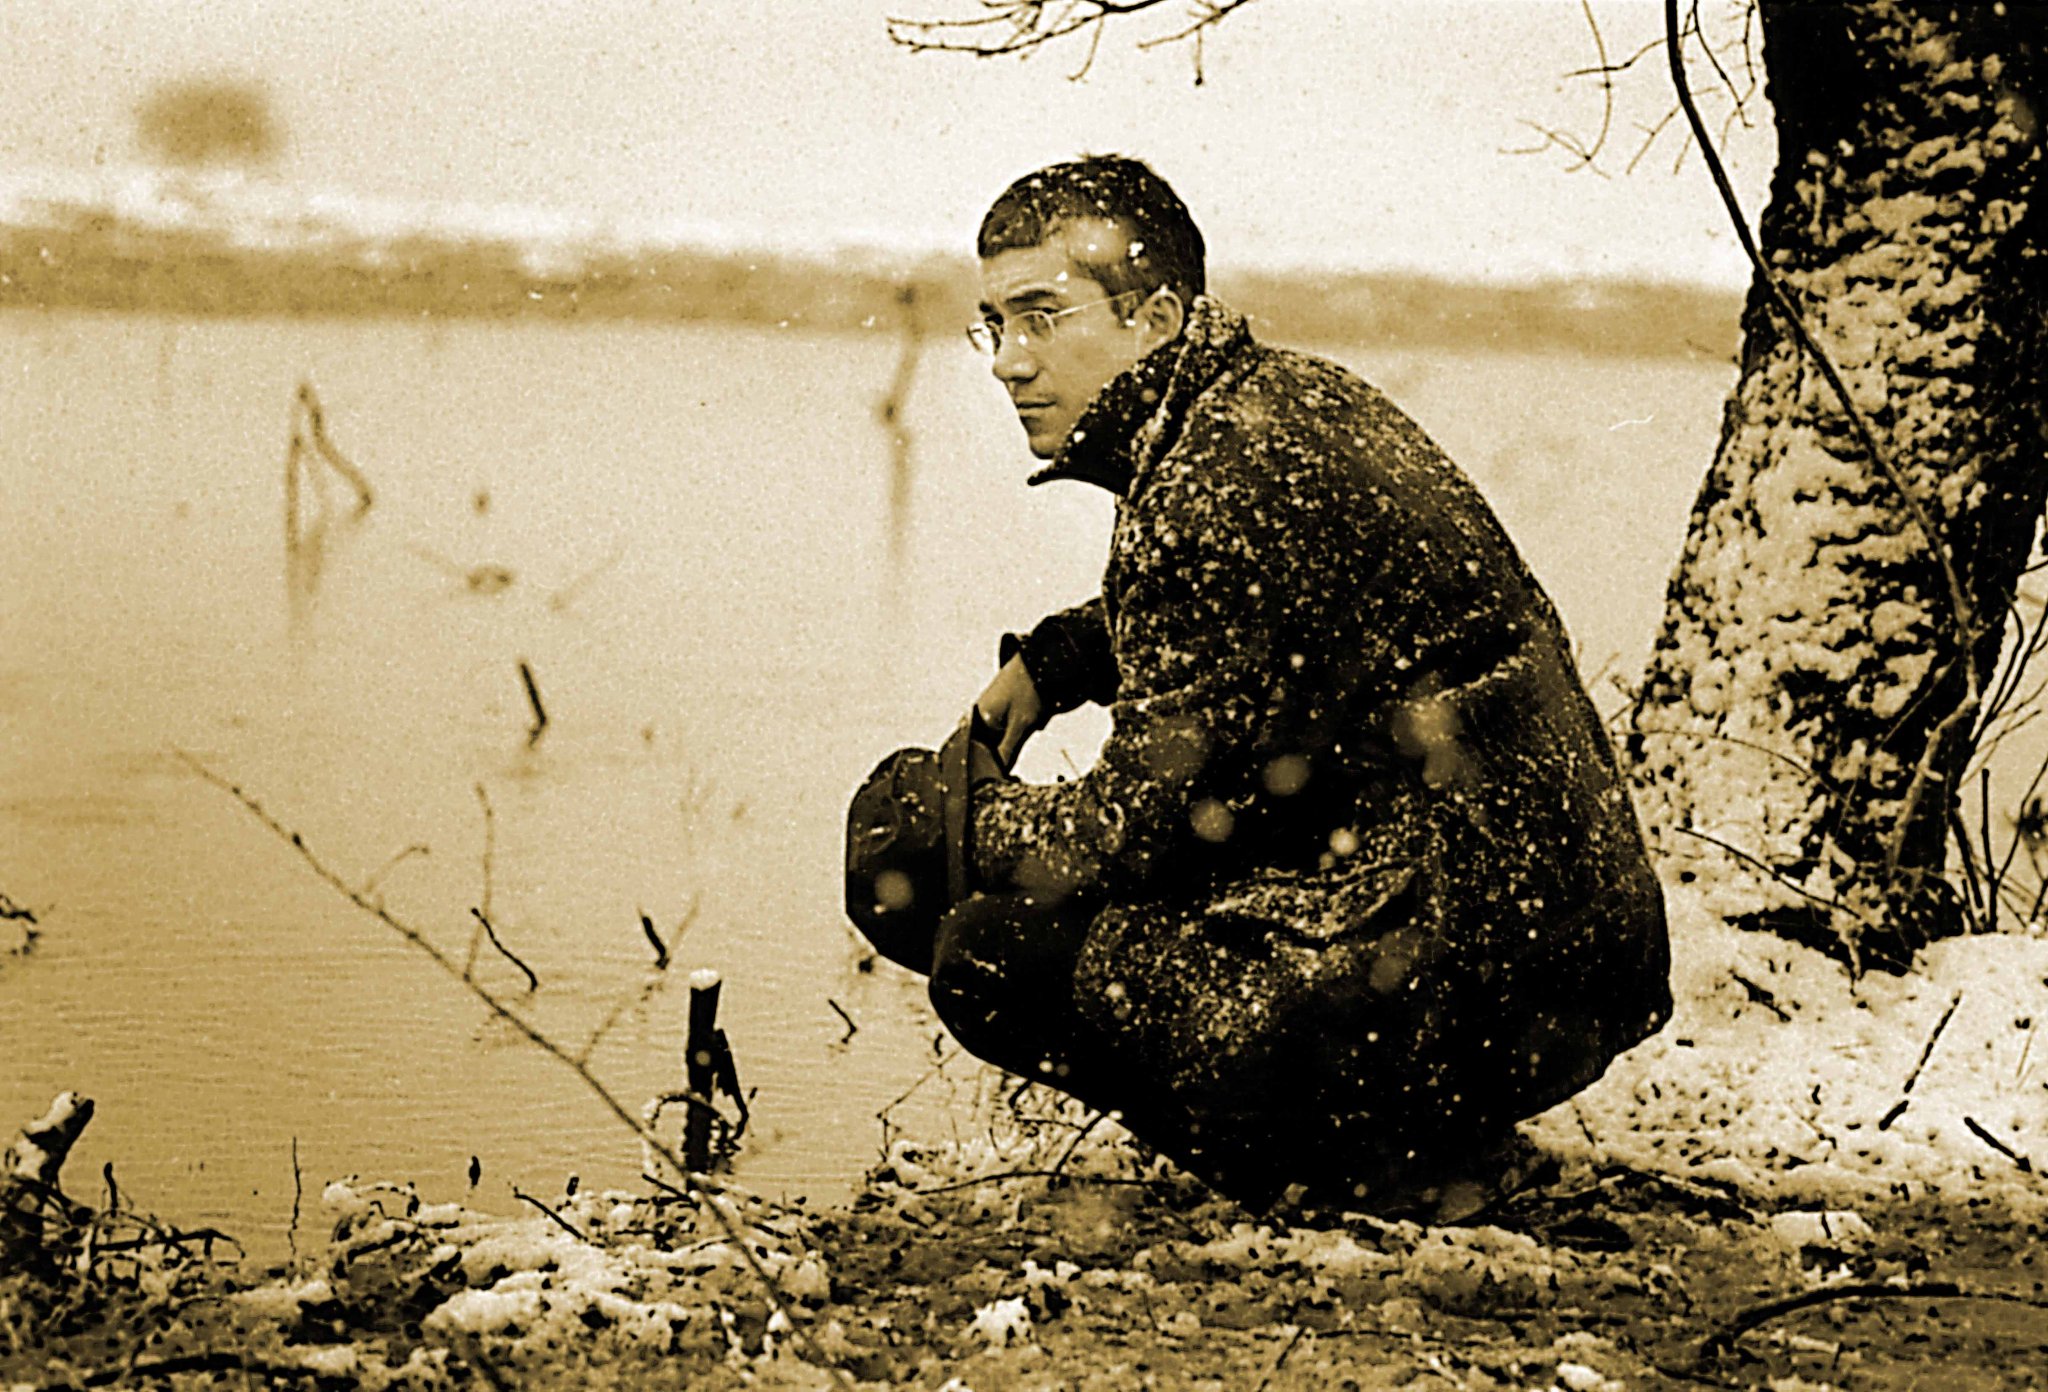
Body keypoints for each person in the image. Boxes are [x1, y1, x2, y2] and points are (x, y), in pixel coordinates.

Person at [846, 154, 1670, 1216]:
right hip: (1552, 954)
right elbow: (1255, 623)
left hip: (1476, 973)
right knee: (1114, 879)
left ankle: (1370, 1178)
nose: (1009, 361)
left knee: (983, 942)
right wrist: (1057, 662)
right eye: (995, 323)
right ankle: (1419, 1140)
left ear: (1152, 318)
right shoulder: (1278, 400)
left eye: (1043, 317)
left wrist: (946, 813)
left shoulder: (1209, 480)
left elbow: (1120, 835)